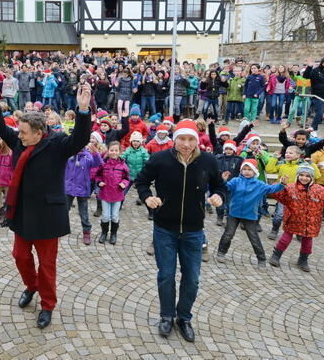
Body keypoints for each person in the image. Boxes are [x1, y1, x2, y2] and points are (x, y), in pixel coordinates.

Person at [0, 78, 91, 329]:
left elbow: (80, 139)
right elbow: (1, 127)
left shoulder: (57, 145)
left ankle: (47, 305)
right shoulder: (19, 142)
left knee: (47, 265)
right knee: (19, 255)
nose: (18, 135)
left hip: (47, 215)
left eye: (23, 132)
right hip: (22, 212)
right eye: (19, 131)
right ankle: (31, 286)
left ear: (39, 132)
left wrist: (83, 110)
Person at [135, 118, 226, 342]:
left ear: (197, 140)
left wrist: (219, 196)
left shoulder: (208, 161)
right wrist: (148, 197)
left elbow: (220, 186)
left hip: (194, 230)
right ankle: (166, 315)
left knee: (192, 278)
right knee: (166, 275)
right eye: (182, 139)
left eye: (191, 139)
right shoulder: (159, 159)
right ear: (175, 140)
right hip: (165, 228)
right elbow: (141, 181)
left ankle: (183, 318)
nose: (186, 144)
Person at [268, 164, 324, 271]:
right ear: (297, 176)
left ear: (312, 177)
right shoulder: (290, 188)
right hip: (293, 220)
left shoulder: (319, 189)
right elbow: (277, 195)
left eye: (308, 176)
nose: (304, 178)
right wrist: (280, 184)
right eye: (301, 175)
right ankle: (276, 255)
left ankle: (303, 259)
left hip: (311, 222)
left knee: (307, 243)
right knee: (285, 239)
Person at [216, 159, 286, 266]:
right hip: (233, 213)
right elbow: (226, 188)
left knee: (253, 237)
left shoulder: (259, 184)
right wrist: (223, 181)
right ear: (241, 170)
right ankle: (221, 252)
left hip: (250, 215)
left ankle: (261, 259)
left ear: (254, 171)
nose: (247, 171)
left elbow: (271, 189)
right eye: (244, 169)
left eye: (249, 169)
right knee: (228, 234)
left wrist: (281, 184)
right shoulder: (236, 181)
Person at [95, 141, 130, 245]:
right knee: (105, 216)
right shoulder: (103, 163)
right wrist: (99, 182)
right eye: (112, 150)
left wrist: (124, 183)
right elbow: (98, 175)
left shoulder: (123, 165)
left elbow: (127, 178)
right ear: (108, 151)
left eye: (116, 150)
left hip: (117, 195)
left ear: (119, 152)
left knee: (114, 216)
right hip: (105, 194)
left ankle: (113, 234)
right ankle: (104, 233)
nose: (114, 152)